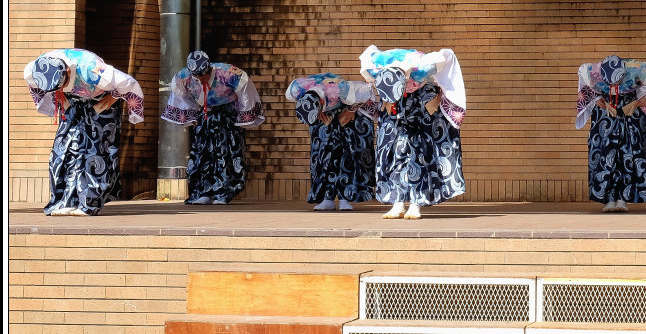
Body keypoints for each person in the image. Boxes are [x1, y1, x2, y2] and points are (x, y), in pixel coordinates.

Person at [24, 49, 145, 216]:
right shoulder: (36, 69)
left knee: (93, 150)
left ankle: (89, 203)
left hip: (100, 100)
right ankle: (64, 201)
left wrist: (114, 97)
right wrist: (57, 92)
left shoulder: (92, 69)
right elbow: (35, 83)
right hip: (70, 102)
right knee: (63, 150)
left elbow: (128, 83)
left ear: (67, 71)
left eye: (63, 82)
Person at [360, 45, 467, 220]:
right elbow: (384, 109)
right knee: (393, 162)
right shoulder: (387, 85)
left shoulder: (425, 88)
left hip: (417, 133)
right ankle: (398, 203)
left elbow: (430, 114)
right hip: (394, 132)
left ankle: (416, 203)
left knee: (417, 162)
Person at [163, 50, 265, 205]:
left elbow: (246, 91)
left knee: (225, 154)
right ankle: (202, 192)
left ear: (209, 68)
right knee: (201, 154)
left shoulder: (229, 73)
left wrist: (242, 116)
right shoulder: (183, 77)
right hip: (204, 116)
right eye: (197, 77)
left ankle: (223, 193)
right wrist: (191, 114)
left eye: (203, 76)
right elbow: (181, 96)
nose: (201, 79)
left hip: (226, 115)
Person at [576, 55, 646, 212]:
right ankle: (608, 199)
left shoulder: (637, 69)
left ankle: (623, 198)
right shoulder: (593, 72)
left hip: (629, 112)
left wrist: (638, 101)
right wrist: (598, 100)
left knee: (628, 154)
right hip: (606, 114)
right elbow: (586, 84)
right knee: (605, 153)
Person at [286, 73, 379, 211]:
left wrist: (351, 110)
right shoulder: (295, 90)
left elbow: (366, 91)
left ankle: (344, 198)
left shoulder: (341, 89)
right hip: (322, 119)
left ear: (322, 102)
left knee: (345, 155)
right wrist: (318, 114)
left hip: (346, 112)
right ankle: (326, 198)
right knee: (322, 156)